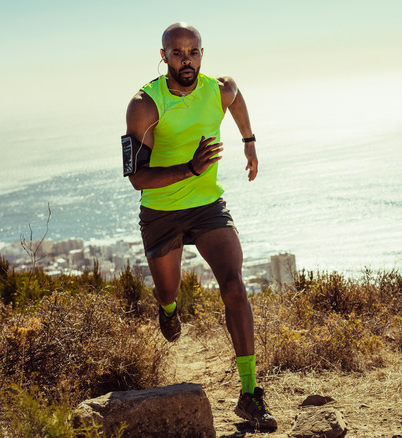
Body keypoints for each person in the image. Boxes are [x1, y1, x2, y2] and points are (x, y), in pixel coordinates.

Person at [124, 22, 277, 431]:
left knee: (234, 283)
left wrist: (249, 140)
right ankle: (168, 310)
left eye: (193, 52)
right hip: (161, 211)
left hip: (208, 206)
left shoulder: (218, 88)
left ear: (201, 54)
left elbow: (237, 97)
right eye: (177, 53)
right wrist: (190, 168)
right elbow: (137, 178)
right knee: (167, 290)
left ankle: (250, 394)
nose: (186, 60)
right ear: (164, 57)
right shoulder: (145, 104)